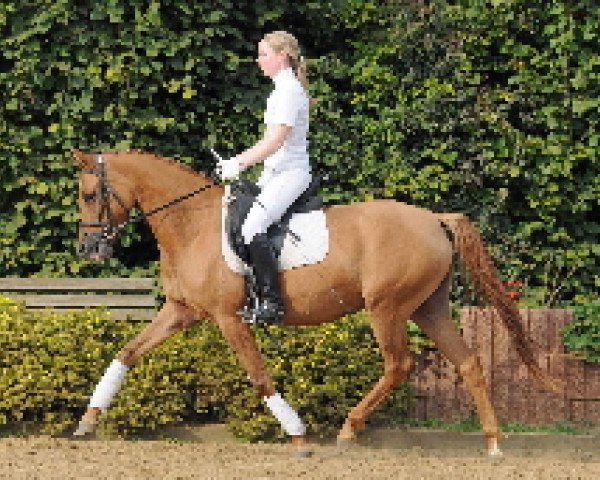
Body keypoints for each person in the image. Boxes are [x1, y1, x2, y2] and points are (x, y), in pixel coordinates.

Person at [217, 31, 311, 324]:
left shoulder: (288, 92)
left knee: (252, 226)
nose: (258, 61)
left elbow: (276, 140)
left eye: (264, 55)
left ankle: (272, 303)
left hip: (290, 173)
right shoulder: (279, 90)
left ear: (282, 57)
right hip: (274, 173)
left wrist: (239, 162)